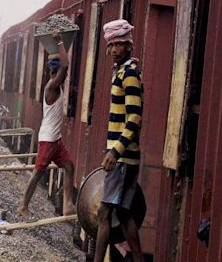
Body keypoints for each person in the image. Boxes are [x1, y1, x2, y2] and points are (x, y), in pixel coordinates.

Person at [94, 19, 145, 262]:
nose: (114, 49)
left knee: (104, 212)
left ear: (128, 46)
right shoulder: (124, 73)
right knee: (124, 214)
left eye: (119, 45)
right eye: (111, 45)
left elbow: (134, 117)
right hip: (126, 156)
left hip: (123, 158)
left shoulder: (130, 75)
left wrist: (115, 151)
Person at [17, 32, 76, 217]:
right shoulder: (51, 86)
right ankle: (23, 206)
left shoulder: (54, 86)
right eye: (61, 74)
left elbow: (63, 68)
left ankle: (68, 205)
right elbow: (66, 66)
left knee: (69, 167)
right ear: (56, 72)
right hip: (49, 138)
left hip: (55, 138)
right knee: (38, 172)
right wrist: (59, 40)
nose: (64, 77)